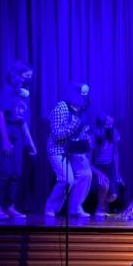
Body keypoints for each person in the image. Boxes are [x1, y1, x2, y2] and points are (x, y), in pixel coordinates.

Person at [0, 61, 37, 220]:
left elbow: (22, 120)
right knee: (5, 171)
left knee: (16, 173)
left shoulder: (23, 95)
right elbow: (0, 114)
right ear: (17, 75)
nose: (28, 79)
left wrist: (30, 143)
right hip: (3, 134)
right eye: (26, 76)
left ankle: (10, 206)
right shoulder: (7, 91)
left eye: (30, 76)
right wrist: (5, 139)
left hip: (16, 135)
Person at [44, 82, 93, 219]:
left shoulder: (83, 111)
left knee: (86, 174)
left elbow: (81, 133)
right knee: (67, 180)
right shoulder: (62, 107)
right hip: (58, 149)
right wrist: (74, 124)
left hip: (74, 150)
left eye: (85, 96)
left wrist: (85, 139)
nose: (84, 98)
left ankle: (75, 207)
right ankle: (50, 207)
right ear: (74, 95)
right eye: (81, 95)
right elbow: (57, 134)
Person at [90, 113, 124, 218]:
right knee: (104, 184)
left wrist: (117, 174)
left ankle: (103, 204)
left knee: (114, 195)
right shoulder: (93, 138)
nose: (108, 127)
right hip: (96, 168)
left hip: (109, 168)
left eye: (111, 125)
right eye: (106, 125)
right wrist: (98, 173)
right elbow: (88, 162)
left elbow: (115, 154)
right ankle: (99, 208)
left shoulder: (113, 135)